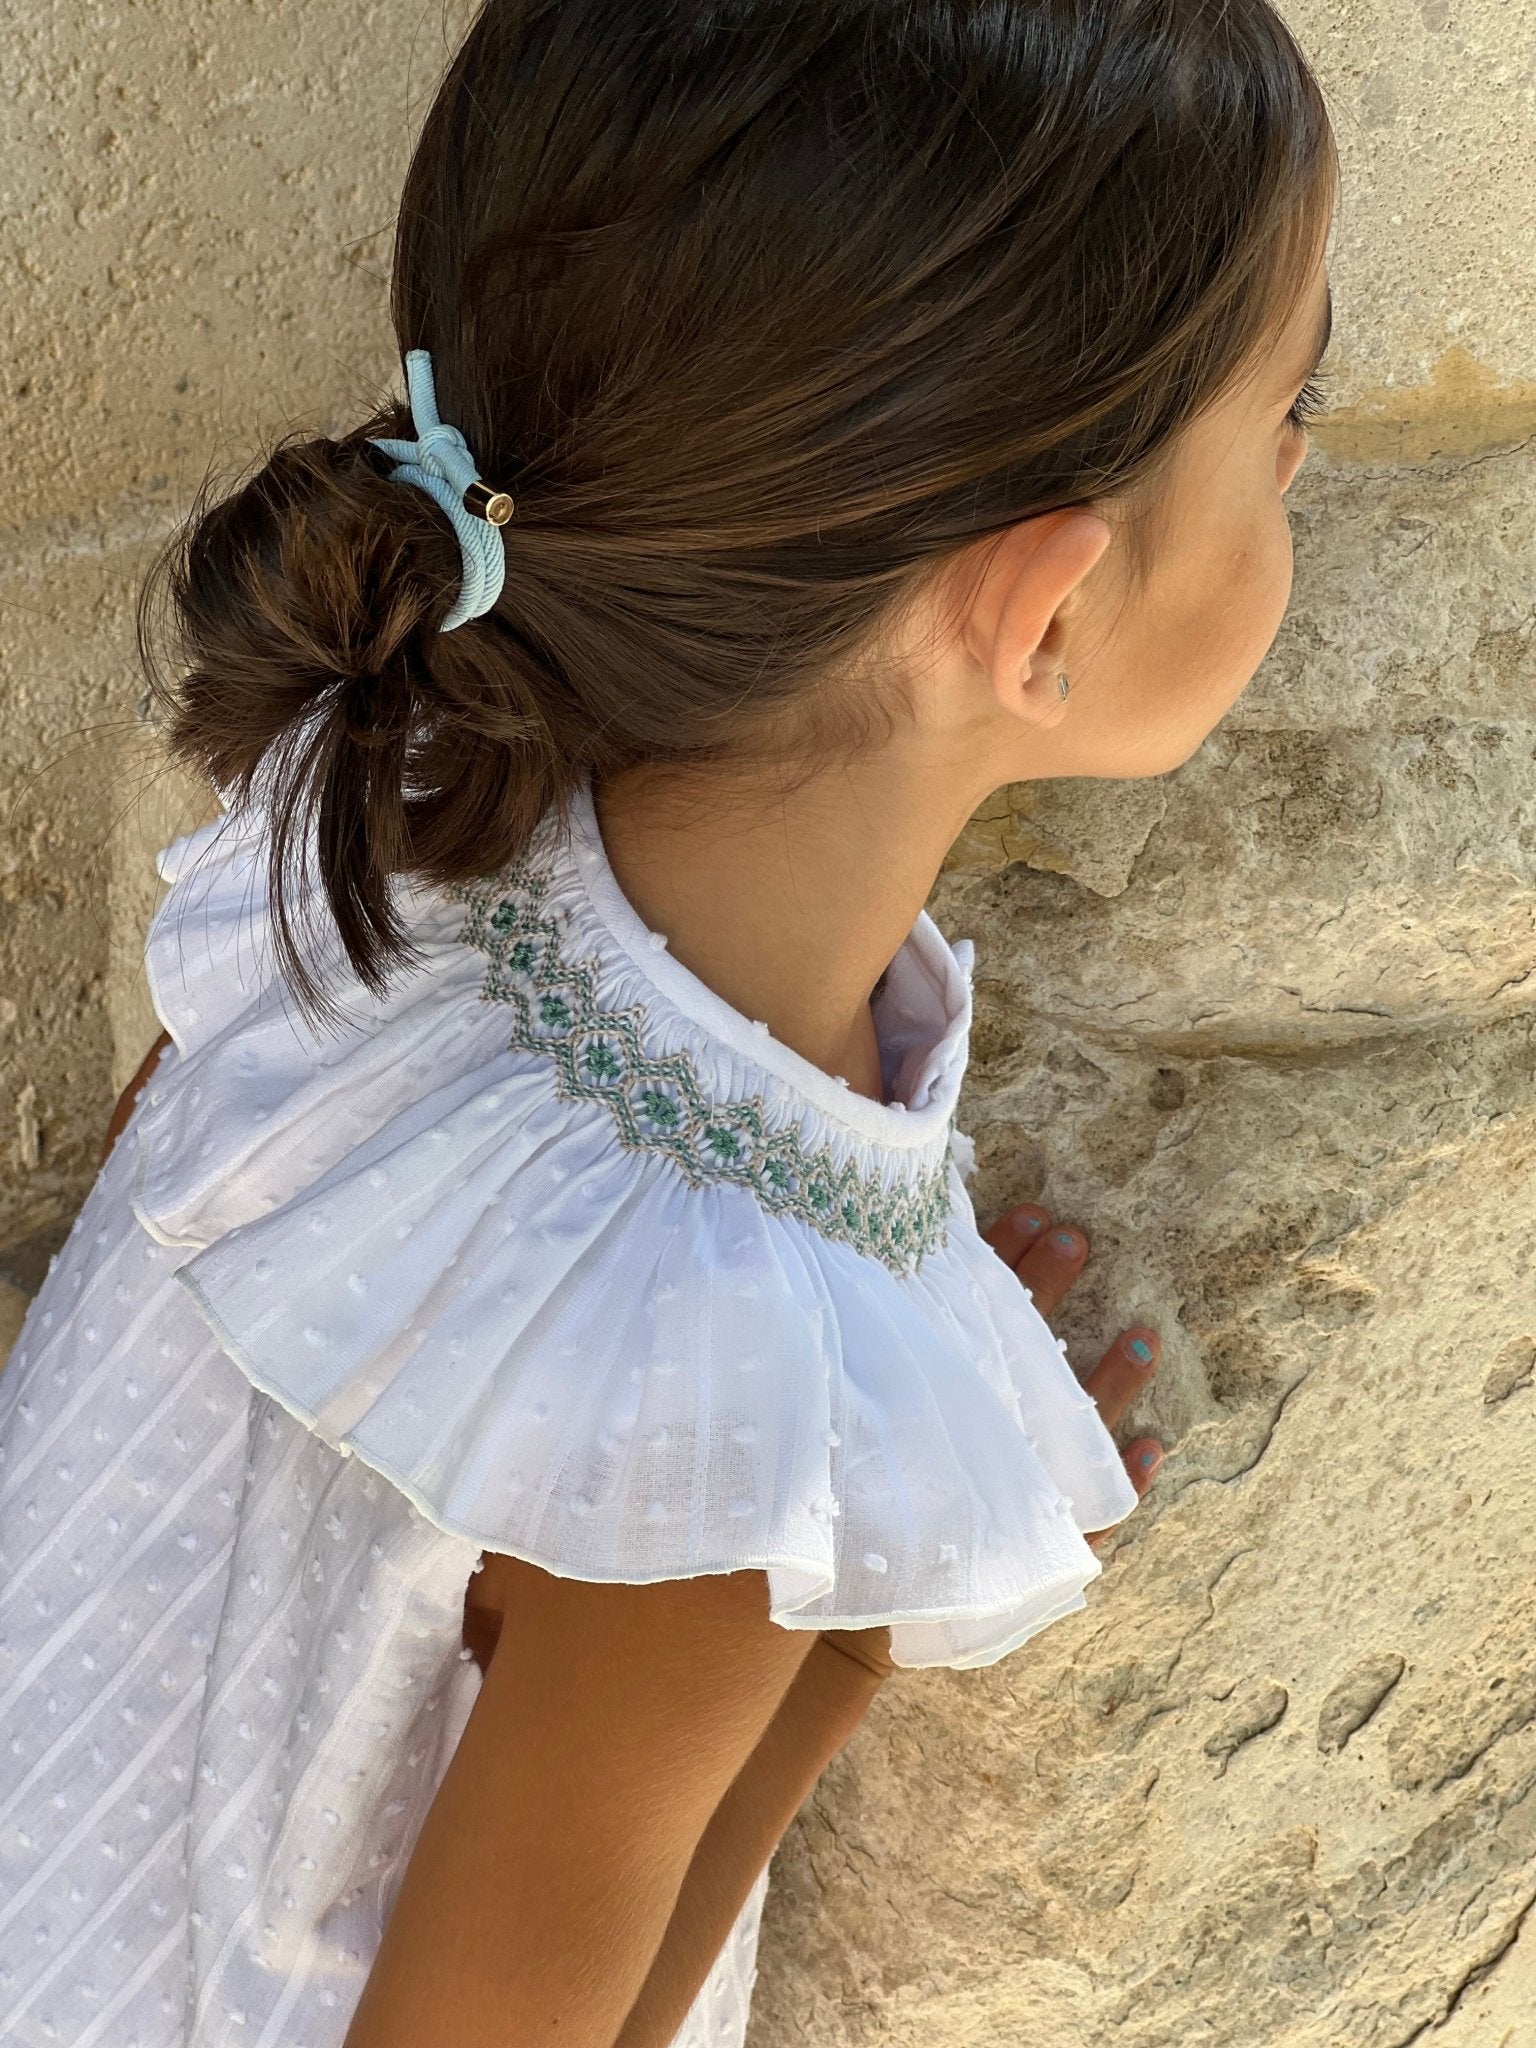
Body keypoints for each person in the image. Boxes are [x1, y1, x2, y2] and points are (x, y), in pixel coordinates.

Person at [0, 1, 1339, 2042]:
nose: (1302, 465)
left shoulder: (378, 819)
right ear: (1047, 612)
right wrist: (836, 1594)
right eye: (1292, 415)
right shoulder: (723, 1391)